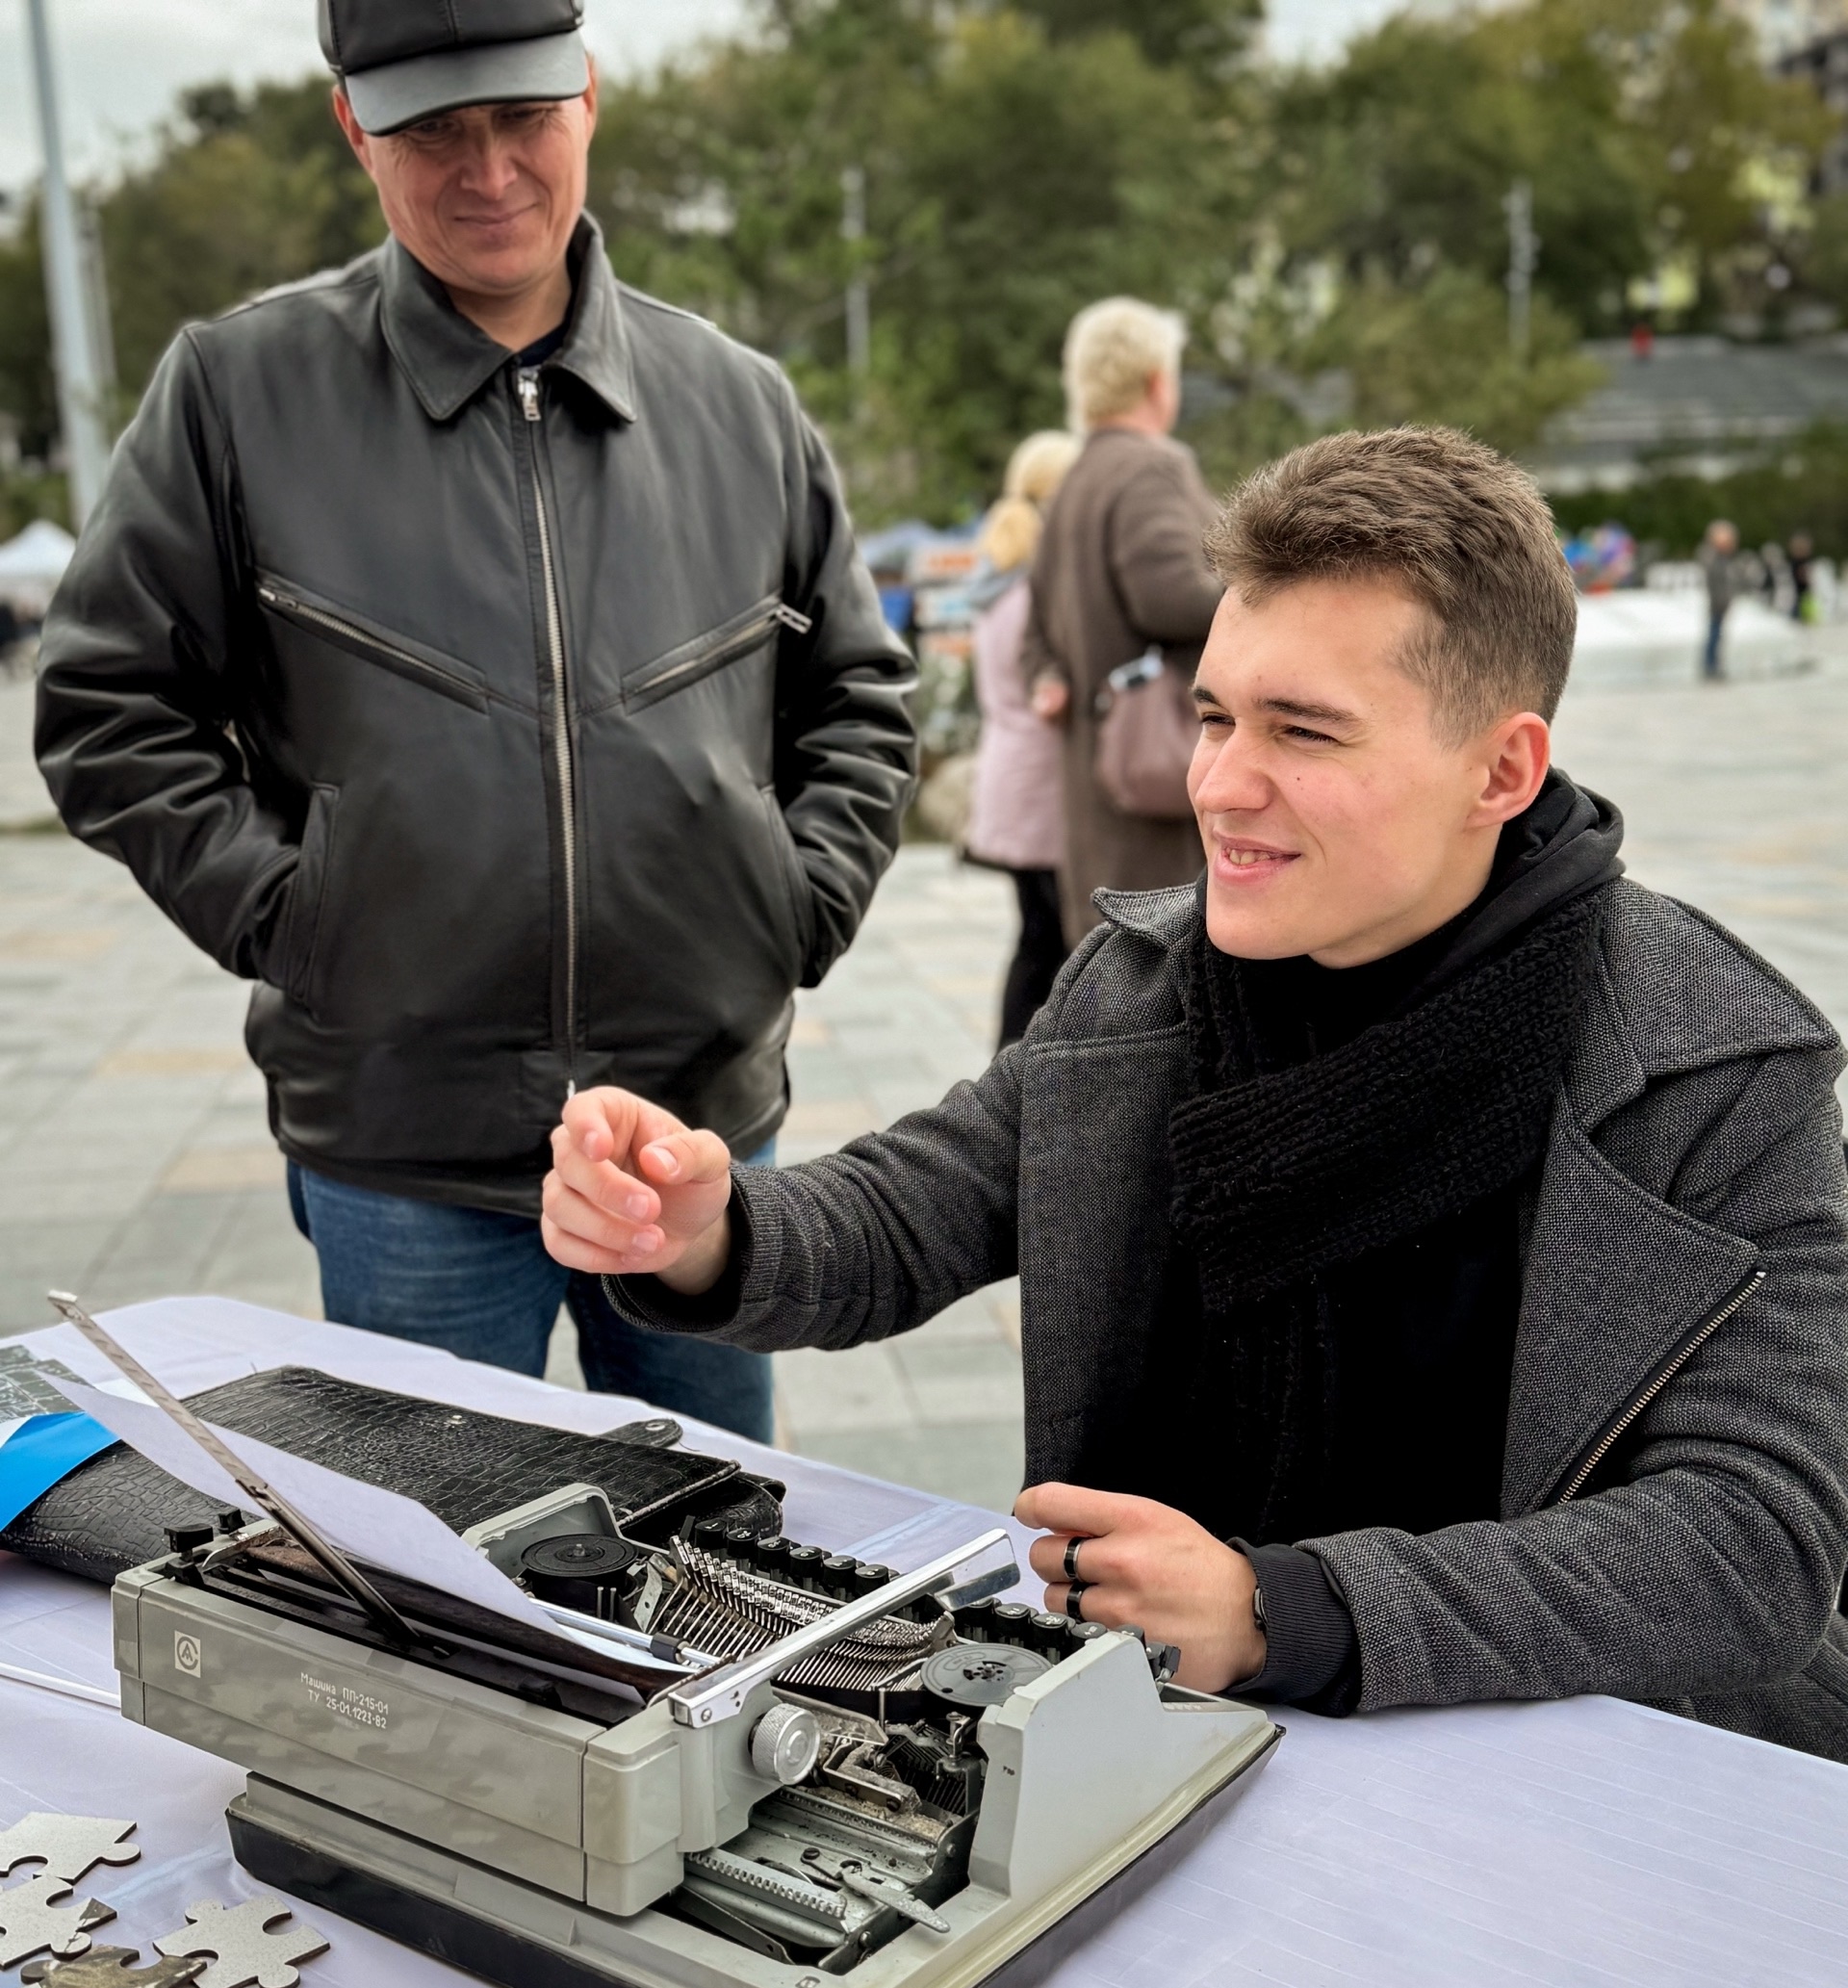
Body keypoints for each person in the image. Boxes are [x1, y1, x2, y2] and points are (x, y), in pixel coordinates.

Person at [540, 426, 1848, 1763]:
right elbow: (913, 1209)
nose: (1217, 784)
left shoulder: (1716, 1066)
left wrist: (1287, 1609)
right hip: (1172, 1740)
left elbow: (1758, 1536)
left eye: (1304, 731)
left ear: (1501, 771)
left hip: (1603, 1778)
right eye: (1214, 715)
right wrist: (707, 1228)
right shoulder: (1141, 988)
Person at [34, 0, 914, 1444]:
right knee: (426, 1559)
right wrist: (302, 920)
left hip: (691, 1137)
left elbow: (861, 694)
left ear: (588, 93)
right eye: (435, 130)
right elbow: (105, 703)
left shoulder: (740, 402)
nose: (489, 170)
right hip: (405, 1148)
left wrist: (792, 905)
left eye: (522, 118)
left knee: (725, 1547)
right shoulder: (238, 392)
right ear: (353, 128)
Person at [1024, 297, 1223, 950]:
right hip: (1158, 777)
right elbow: (1170, 598)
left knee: (1112, 964)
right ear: (1158, 382)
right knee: (1171, 960)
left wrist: (1048, 676)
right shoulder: (1150, 467)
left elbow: (1035, 631)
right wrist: (1268, 588)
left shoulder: (1073, 480)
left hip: (1098, 778)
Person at [964, 429, 1082, 1046]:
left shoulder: (997, 578)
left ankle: (1014, 1061)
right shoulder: (1033, 586)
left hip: (1007, 770)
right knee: (1049, 940)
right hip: (1039, 780)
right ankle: (1018, 1063)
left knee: (1036, 932)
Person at [1700, 518, 1740, 680]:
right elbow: (1716, 584)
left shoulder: (1722, 559)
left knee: (1717, 636)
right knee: (1714, 635)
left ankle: (1713, 664)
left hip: (1722, 603)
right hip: (1717, 604)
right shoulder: (1713, 558)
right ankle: (1710, 666)